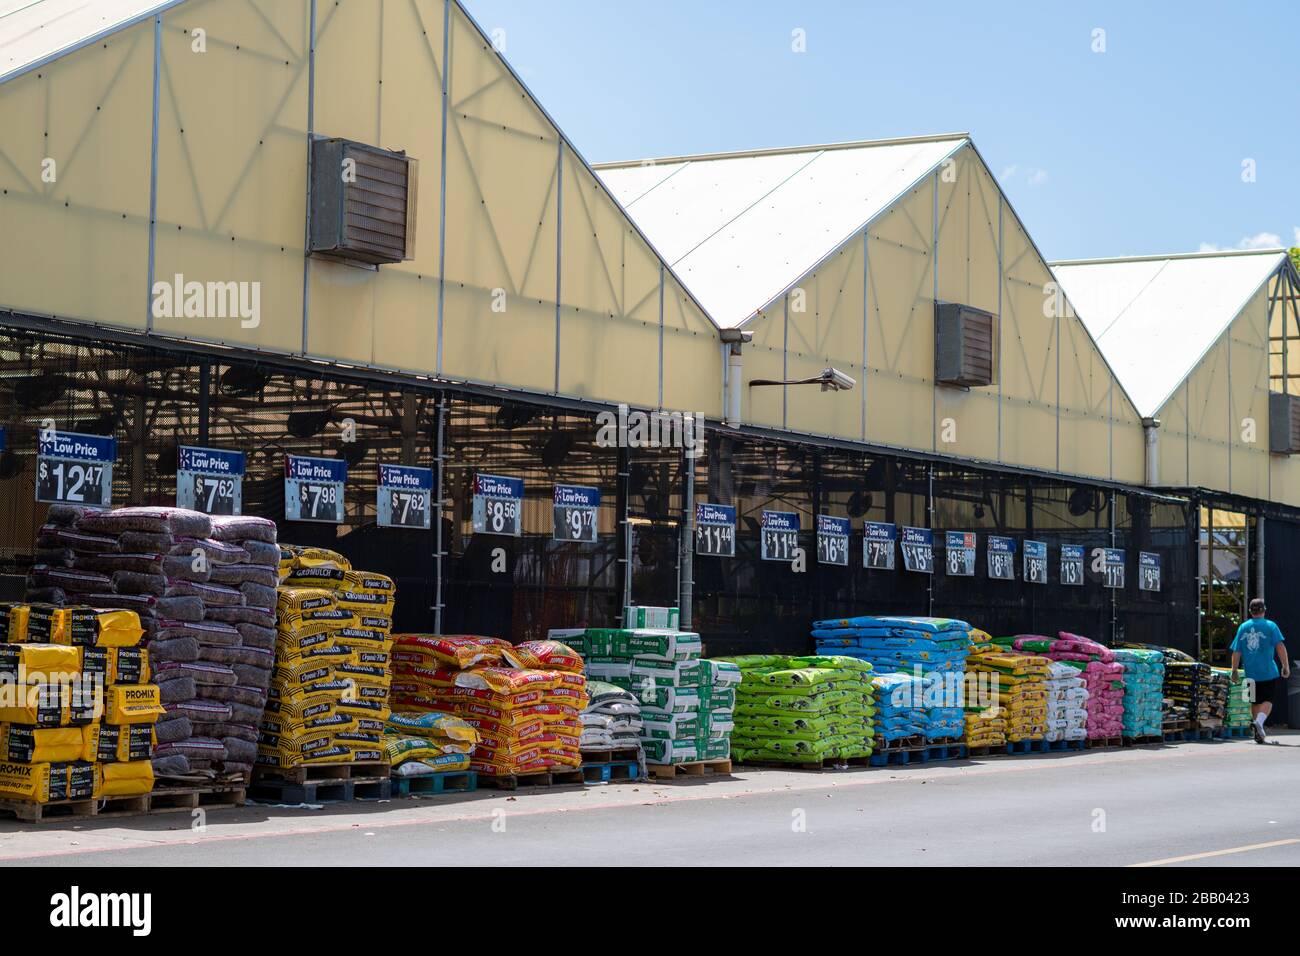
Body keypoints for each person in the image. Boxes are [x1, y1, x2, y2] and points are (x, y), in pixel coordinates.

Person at [1230, 598, 1291, 744]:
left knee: (1254, 702)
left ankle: (1258, 731)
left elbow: (1236, 651)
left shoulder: (1243, 627)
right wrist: (1285, 665)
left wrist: (1234, 670)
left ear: (1250, 611)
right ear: (1264, 610)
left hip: (1250, 672)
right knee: (1267, 701)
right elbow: (1280, 646)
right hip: (1268, 672)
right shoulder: (1271, 626)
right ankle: (1259, 723)